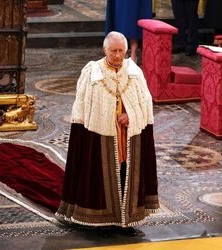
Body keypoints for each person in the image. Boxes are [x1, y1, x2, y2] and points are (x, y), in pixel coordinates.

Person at [56, 31, 160, 237]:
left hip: (128, 138)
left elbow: (146, 104)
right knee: (100, 176)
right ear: (105, 50)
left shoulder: (134, 72)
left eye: (122, 50)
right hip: (99, 137)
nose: (118, 55)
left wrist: (131, 115)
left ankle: (127, 221)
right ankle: (101, 220)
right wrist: (82, 138)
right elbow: (81, 106)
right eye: (114, 51)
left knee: (126, 175)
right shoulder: (92, 72)